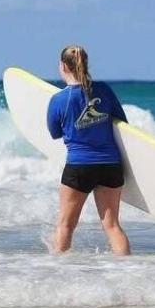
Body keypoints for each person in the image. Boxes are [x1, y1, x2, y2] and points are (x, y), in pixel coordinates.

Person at [47, 45, 131, 255]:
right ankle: (130, 271)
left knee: (66, 225)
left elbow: (55, 132)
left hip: (79, 166)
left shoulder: (58, 100)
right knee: (112, 226)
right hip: (111, 165)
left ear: (63, 66)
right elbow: (122, 123)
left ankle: (57, 273)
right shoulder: (104, 90)